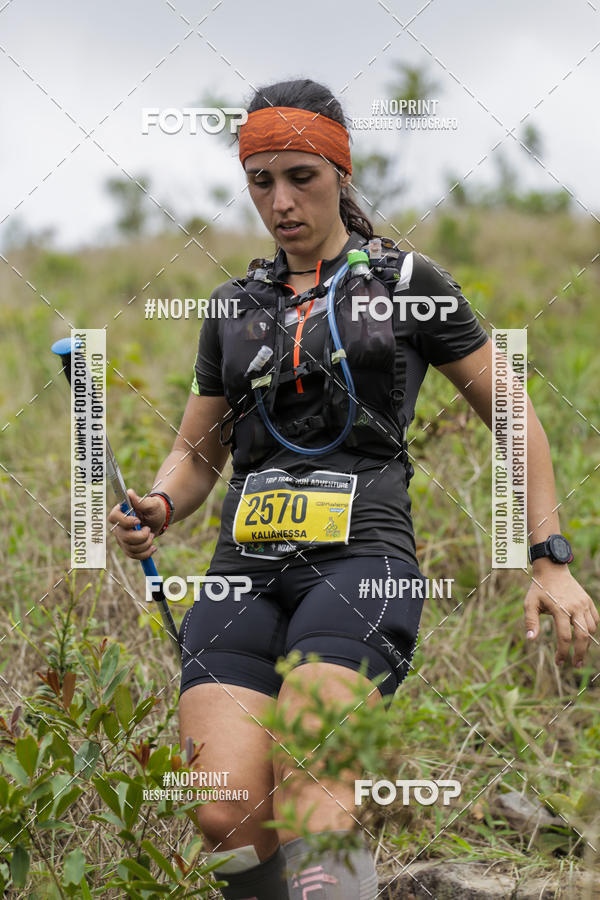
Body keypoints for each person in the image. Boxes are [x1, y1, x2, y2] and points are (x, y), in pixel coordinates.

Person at [108, 77, 599, 900]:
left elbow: (514, 413)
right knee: (224, 813)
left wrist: (548, 558)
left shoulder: (407, 281)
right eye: (261, 180)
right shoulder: (232, 307)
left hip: (360, 566)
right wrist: (159, 504)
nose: (281, 201)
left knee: (313, 788)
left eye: (301, 176)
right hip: (242, 572)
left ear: (341, 172)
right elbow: (195, 456)